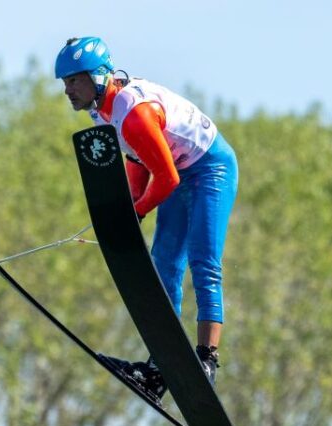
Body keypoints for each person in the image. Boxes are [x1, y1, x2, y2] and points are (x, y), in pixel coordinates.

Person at [56, 36, 238, 400]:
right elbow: (138, 159)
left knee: (203, 262)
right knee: (165, 264)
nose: (67, 90)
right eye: (64, 83)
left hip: (209, 169)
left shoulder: (132, 111)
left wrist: (137, 211)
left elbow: (167, 178)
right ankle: (160, 369)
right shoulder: (101, 110)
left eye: (73, 80)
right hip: (178, 170)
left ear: (98, 76)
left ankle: (207, 359)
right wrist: (133, 204)